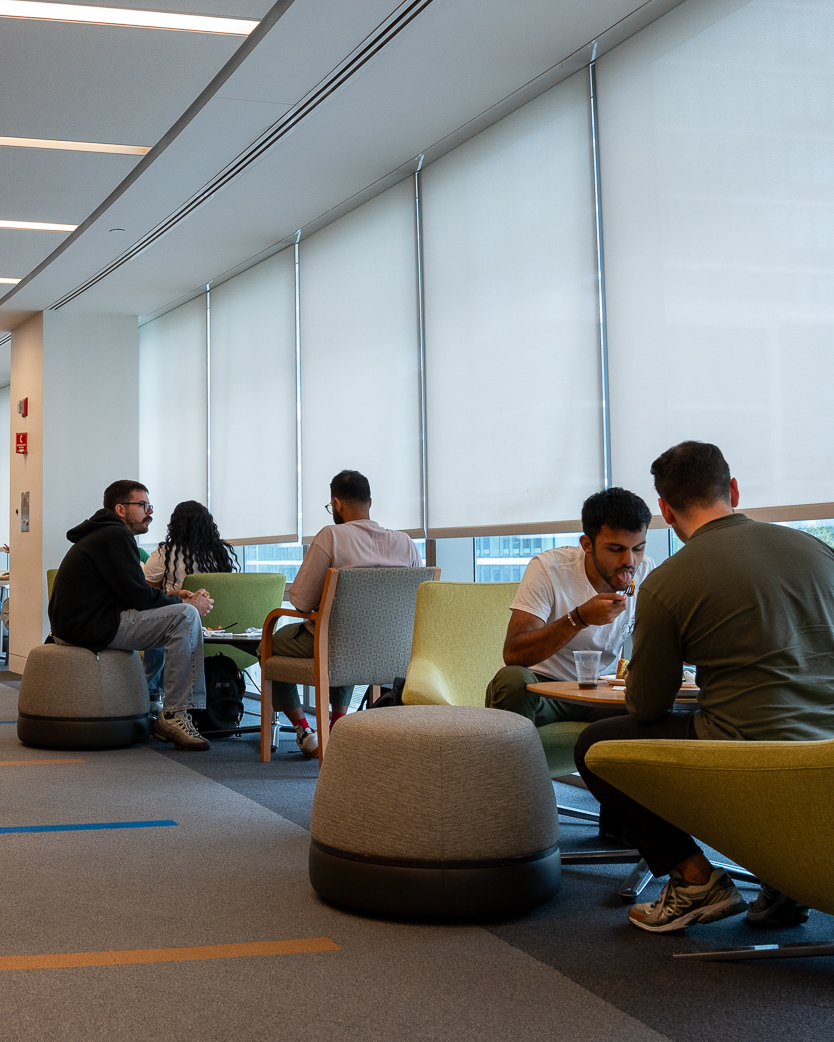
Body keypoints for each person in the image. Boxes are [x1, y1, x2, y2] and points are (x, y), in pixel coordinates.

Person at [575, 441, 834, 933]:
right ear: (733, 490)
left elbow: (647, 704)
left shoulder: (668, 583)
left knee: (597, 743)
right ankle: (784, 881)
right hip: (829, 752)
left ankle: (695, 880)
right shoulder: (819, 550)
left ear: (666, 512)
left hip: (751, 757)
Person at [49, 481, 215, 751]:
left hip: (79, 625)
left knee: (180, 610)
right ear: (120, 509)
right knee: (185, 616)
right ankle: (175, 713)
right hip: (91, 628)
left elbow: (130, 593)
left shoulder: (103, 534)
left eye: (149, 505)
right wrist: (187, 604)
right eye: (142, 505)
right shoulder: (115, 536)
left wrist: (172, 596)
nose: (149, 512)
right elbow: (139, 597)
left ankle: (160, 702)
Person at [270, 469, 422, 757]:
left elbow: (301, 600)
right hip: (393, 648)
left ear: (337, 504)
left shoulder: (332, 537)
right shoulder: (405, 543)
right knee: (348, 635)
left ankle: (304, 730)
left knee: (270, 643)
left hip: (337, 643)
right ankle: (337, 723)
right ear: (370, 502)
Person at [485, 487, 654, 732]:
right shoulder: (549, 568)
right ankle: (512, 771)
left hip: (603, 692)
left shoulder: (647, 571)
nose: (629, 561)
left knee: (658, 705)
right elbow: (513, 654)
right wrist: (580, 618)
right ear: (587, 544)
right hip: (543, 690)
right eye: (615, 549)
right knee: (511, 681)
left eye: (638, 548)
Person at [142, 500, 238, 712]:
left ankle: (151, 696)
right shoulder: (223, 554)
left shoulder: (165, 555)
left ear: (174, 525)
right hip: (224, 631)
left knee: (155, 620)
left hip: (182, 632)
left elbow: (148, 597)